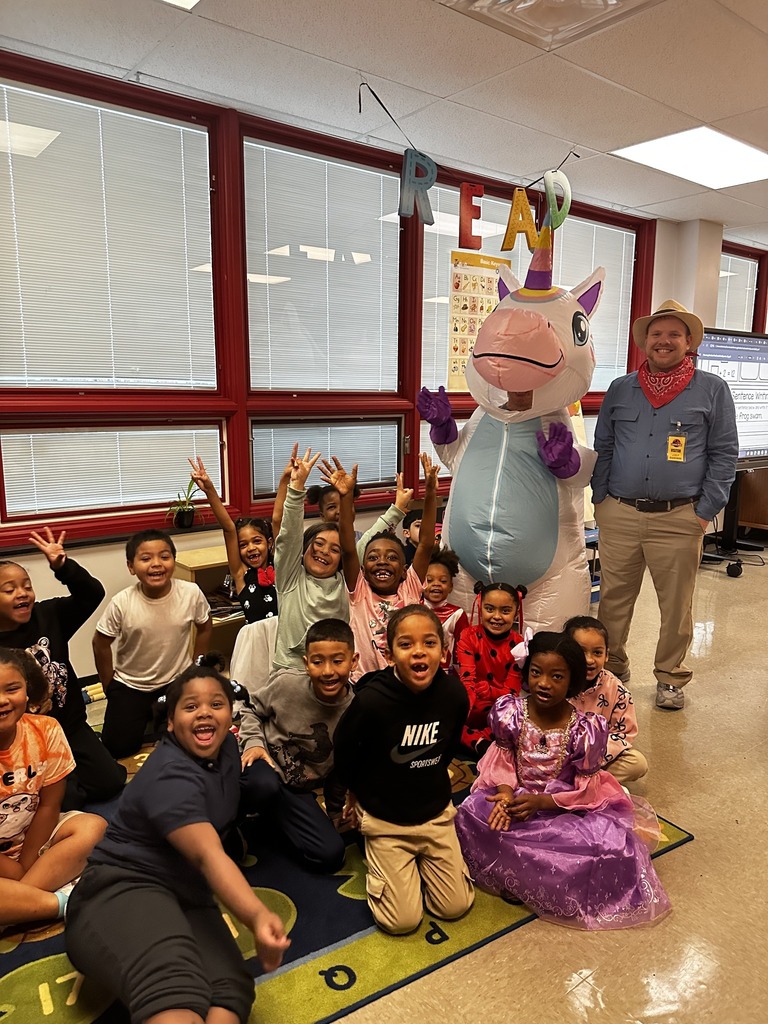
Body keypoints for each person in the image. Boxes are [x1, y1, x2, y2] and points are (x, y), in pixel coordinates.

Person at [65, 662, 290, 1024]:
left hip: (189, 895)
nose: (205, 712)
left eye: (216, 704)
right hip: (119, 890)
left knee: (230, 991)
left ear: (229, 714)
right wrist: (257, 915)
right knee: (174, 995)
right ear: (170, 722)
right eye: (190, 706)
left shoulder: (227, 749)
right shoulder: (169, 773)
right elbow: (207, 855)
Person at [454, 631, 670, 930]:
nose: (544, 683)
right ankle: (513, 874)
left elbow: (587, 788)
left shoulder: (586, 728)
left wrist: (543, 802)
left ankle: (532, 877)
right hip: (516, 796)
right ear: (526, 672)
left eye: (557, 676)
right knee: (471, 813)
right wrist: (504, 793)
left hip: (563, 807)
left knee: (601, 847)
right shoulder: (511, 713)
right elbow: (501, 759)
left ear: (572, 681)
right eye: (537, 673)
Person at [591, 299, 738, 710]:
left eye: (674, 334)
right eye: (656, 334)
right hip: (619, 512)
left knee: (676, 604)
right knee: (614, 598)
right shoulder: (622, 389)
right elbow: (604, 446)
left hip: (680, 516)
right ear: (645, 341)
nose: (664, 341)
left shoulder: (711, 389)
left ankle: (670, 677)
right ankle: (612, 670)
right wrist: (599, 499)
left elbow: (724, 454)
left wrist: (705, 511)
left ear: (688, 341)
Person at [334, 605, 474, 935]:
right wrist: (353, 794)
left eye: (428, 643)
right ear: (389, 652)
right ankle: (379, 857)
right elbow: (344, 747)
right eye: (406, 644)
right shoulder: (372, 701)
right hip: (385, 820)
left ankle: (421, 864)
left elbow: (449, 747)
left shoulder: (454, 694)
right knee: (400, 922)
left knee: (454, 906)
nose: (418, 653)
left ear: (443, 650)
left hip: (435, 814)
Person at [0, 528, 126, 810]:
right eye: (9, 590)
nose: (22, 594)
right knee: (64, 800)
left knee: (110, 782)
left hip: (68, 725)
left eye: (27, 586)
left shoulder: (49, 615)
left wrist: (63, 567)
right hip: (21, 736)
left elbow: (92, 593)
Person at [272, 447, 408, 674]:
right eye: (318, 544)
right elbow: (288, 536)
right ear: (303, 550)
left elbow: (363, 545)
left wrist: (397, 510)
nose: (324, 551)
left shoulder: (346, 582)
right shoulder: (291, 578)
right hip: (291, 669)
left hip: (337, 670)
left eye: (335, 550)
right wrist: (295, 488)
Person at [238, 619, 357, 873]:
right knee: (262, 785)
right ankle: (231, 818)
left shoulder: (356, 710)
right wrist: (253, 743)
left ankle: (272, 816)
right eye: (317, 662)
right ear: (306, 663)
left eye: (337, 661)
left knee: (331, 855)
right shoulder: (286, 684)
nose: (327, 671)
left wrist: (335, 812)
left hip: (295, 788)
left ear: (353, 661)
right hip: (263, 767)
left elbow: (343, 768)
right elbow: (249, 709)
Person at [0, 648, 107, 928]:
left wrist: (24, 867)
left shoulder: (46, 730)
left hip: (32, 839)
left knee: (93, 827)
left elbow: (49, 805)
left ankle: (18, 904)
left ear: (27, 691)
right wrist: (10, 868)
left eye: (12, 688)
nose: (2, 701)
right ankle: (59, 904)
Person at [93, 529, 212, 758]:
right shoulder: (122, 603)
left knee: (190, 741)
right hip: (131, 685)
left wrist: (197, 669)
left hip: (175, 682)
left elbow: (205, 626)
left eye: (164, 557)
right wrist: (110, 686)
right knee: (118, 748)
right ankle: (144, 715)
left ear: (174, 561)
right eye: (146, 558)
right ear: (131, 566)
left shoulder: (190, 593)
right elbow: (100, 643)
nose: (156, 564)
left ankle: (157, 716)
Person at [327, 453, 438, 682]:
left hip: (406, 679)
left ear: (405, 569)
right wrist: (345, 497)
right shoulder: (359, 590)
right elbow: (348, 549)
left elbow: (426, 544)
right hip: (364, 683)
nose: (382, 561)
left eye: (391, 557)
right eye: (373, 557)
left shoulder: (410, 586)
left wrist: (430, 493)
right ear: (363, 570)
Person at [189, 456, 278, 624]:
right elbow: (228, 529)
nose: (251, 548)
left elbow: (279, 519)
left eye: (257, 541)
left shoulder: (281, 567)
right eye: (243, 545)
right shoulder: (240, 573)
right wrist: (209, 490)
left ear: (270, 542)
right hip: (255, 640)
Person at [563, 615, 648, 785]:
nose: (589, 660)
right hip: (557, 755)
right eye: (580, 652)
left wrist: (591, 758)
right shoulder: (557, 681)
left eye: (597, 653)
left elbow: (623, 734)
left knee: (637, 764)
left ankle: (581, 782)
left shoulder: (617, 690)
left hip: (597, 759)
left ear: (607, 655)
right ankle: (584, 783)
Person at [455, 582, 525, 754]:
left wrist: (490, 692)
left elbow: (512, 692)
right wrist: (462, 711)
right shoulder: (468, 636)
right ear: (480, 607)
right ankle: (480, 742)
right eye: (490, 609)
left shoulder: (519, 645)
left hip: (499, 707)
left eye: (505, 611)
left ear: (516, 612)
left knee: (516, 715)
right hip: (471, 700)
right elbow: (467, 679)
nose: (497, 616)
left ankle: (475, 739)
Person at [421, 547, 469, 671]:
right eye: (429, 580)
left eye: (442, 581)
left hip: (445, 672)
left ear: (450, 587)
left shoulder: (457, 615)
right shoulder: (414, 609)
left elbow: (463, 649)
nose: (436, 584)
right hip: (416, 669)